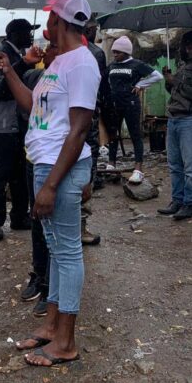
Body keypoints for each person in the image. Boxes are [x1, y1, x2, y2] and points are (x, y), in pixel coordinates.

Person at [0, 0, 100, 367]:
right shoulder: (58, 63)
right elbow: (31, 105)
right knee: (55, 249)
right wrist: (8, 69)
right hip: (45, 164)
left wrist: (52, 184)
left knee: (67, 252)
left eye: (50, 17)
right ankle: (52, 326)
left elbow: (80, 128)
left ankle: (66, 341)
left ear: (61, 22)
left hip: (60, 169)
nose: (45, 24)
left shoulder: (81, 64)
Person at [0, 18, 40, 241]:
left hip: (20, 122)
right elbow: (2, 91)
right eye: (27, 32)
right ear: (14, 34)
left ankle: (18, 215)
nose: (30, 36)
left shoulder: (18, 56)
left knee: (20, 171)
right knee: (0, 172)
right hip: (3, 124)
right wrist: (23, 64)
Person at [20, 41, 60, 317]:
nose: (48, 50)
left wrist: (89, 175)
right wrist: (21, 64)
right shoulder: (35, 75)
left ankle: (52, 290)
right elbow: (2, 90)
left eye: (54, 45)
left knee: (57, 230)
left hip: (61, 161)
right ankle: (40, 277)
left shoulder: (75, 74)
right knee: (37, 221)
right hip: (33, 157)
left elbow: (86, 123)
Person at [105, 36, 163, 184]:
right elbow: (104, 81)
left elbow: (157, 76)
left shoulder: (136, 64)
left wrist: (140, 85)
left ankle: (138, 169)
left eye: (118, 51)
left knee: (135, 135)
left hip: (130, 104)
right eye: (114, 51)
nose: (115, 54)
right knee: (113, 134)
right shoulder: (111, 66)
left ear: (126, 52)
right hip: (114, 104)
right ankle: (111, 164)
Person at [158, 31, 192, 220]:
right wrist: (168, 80)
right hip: (174, 118)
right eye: (186, 45)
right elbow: (174, 91)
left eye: (190, 45)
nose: (188, 49)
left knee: (190, 166)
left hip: (189, 119)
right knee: (174, 164)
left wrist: (175, 81)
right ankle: (177, 200)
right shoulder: (182, 65)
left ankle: (189, 203)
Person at [80, 17, 106, 246]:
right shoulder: (94, 53)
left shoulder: (60, 50)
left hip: (70, 118)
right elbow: (101, 89)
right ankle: (81, 226)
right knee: (87, 171)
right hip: (87, 118)